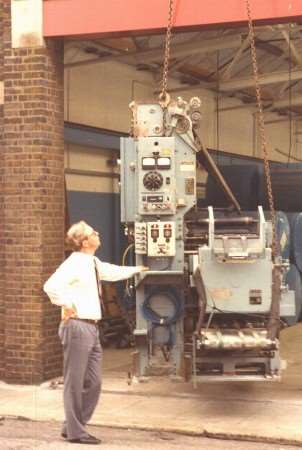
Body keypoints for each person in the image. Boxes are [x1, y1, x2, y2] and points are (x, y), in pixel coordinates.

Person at [43, 220, 148, 445]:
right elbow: (50, 286)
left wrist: (138, 269)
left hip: (91, 327)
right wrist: (67, 304)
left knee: (94, 382)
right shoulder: (73, 263)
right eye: (93, 232)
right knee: (75, 382)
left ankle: (71, 425)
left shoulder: (92, 262)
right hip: (78, 326)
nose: (97, 233)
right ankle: (76, 432)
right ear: (84, 241)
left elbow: (110, 271)